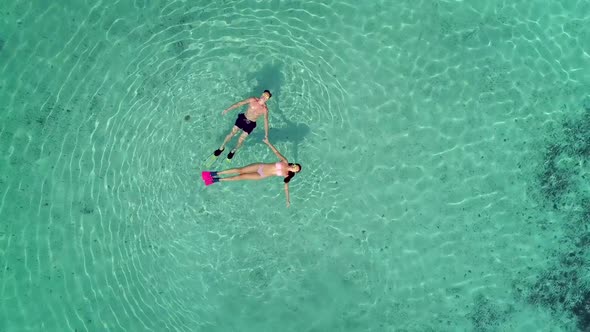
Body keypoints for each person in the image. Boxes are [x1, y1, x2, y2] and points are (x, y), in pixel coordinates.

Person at [202, 138, 302, 207]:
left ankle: (216, 179)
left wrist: (288, 200)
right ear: (294, 164)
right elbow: (276, 152)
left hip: (261, 175)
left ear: (294, 172)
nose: (294, 168)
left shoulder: (287, 175)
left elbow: (286, 188)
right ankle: (214, 173)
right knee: (239, 170)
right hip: (260, 166)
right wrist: (268, 143)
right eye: (295, 166)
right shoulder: (285, 161)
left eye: (295, 170)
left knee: (241, 177)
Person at [211, 90, 272, 161]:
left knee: (241, 139)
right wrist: (227, 109)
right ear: (262, 94)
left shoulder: (264, 109)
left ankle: (233, 150)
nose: (264, 97)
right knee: (232, 133)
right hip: (243, 118)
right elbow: (240, 103)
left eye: (267, 97)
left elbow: (266, 121)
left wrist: (266, 135)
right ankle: (221, 148)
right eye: (264, 94)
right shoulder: (253, 99)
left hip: (251, 124)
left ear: (268, 99)